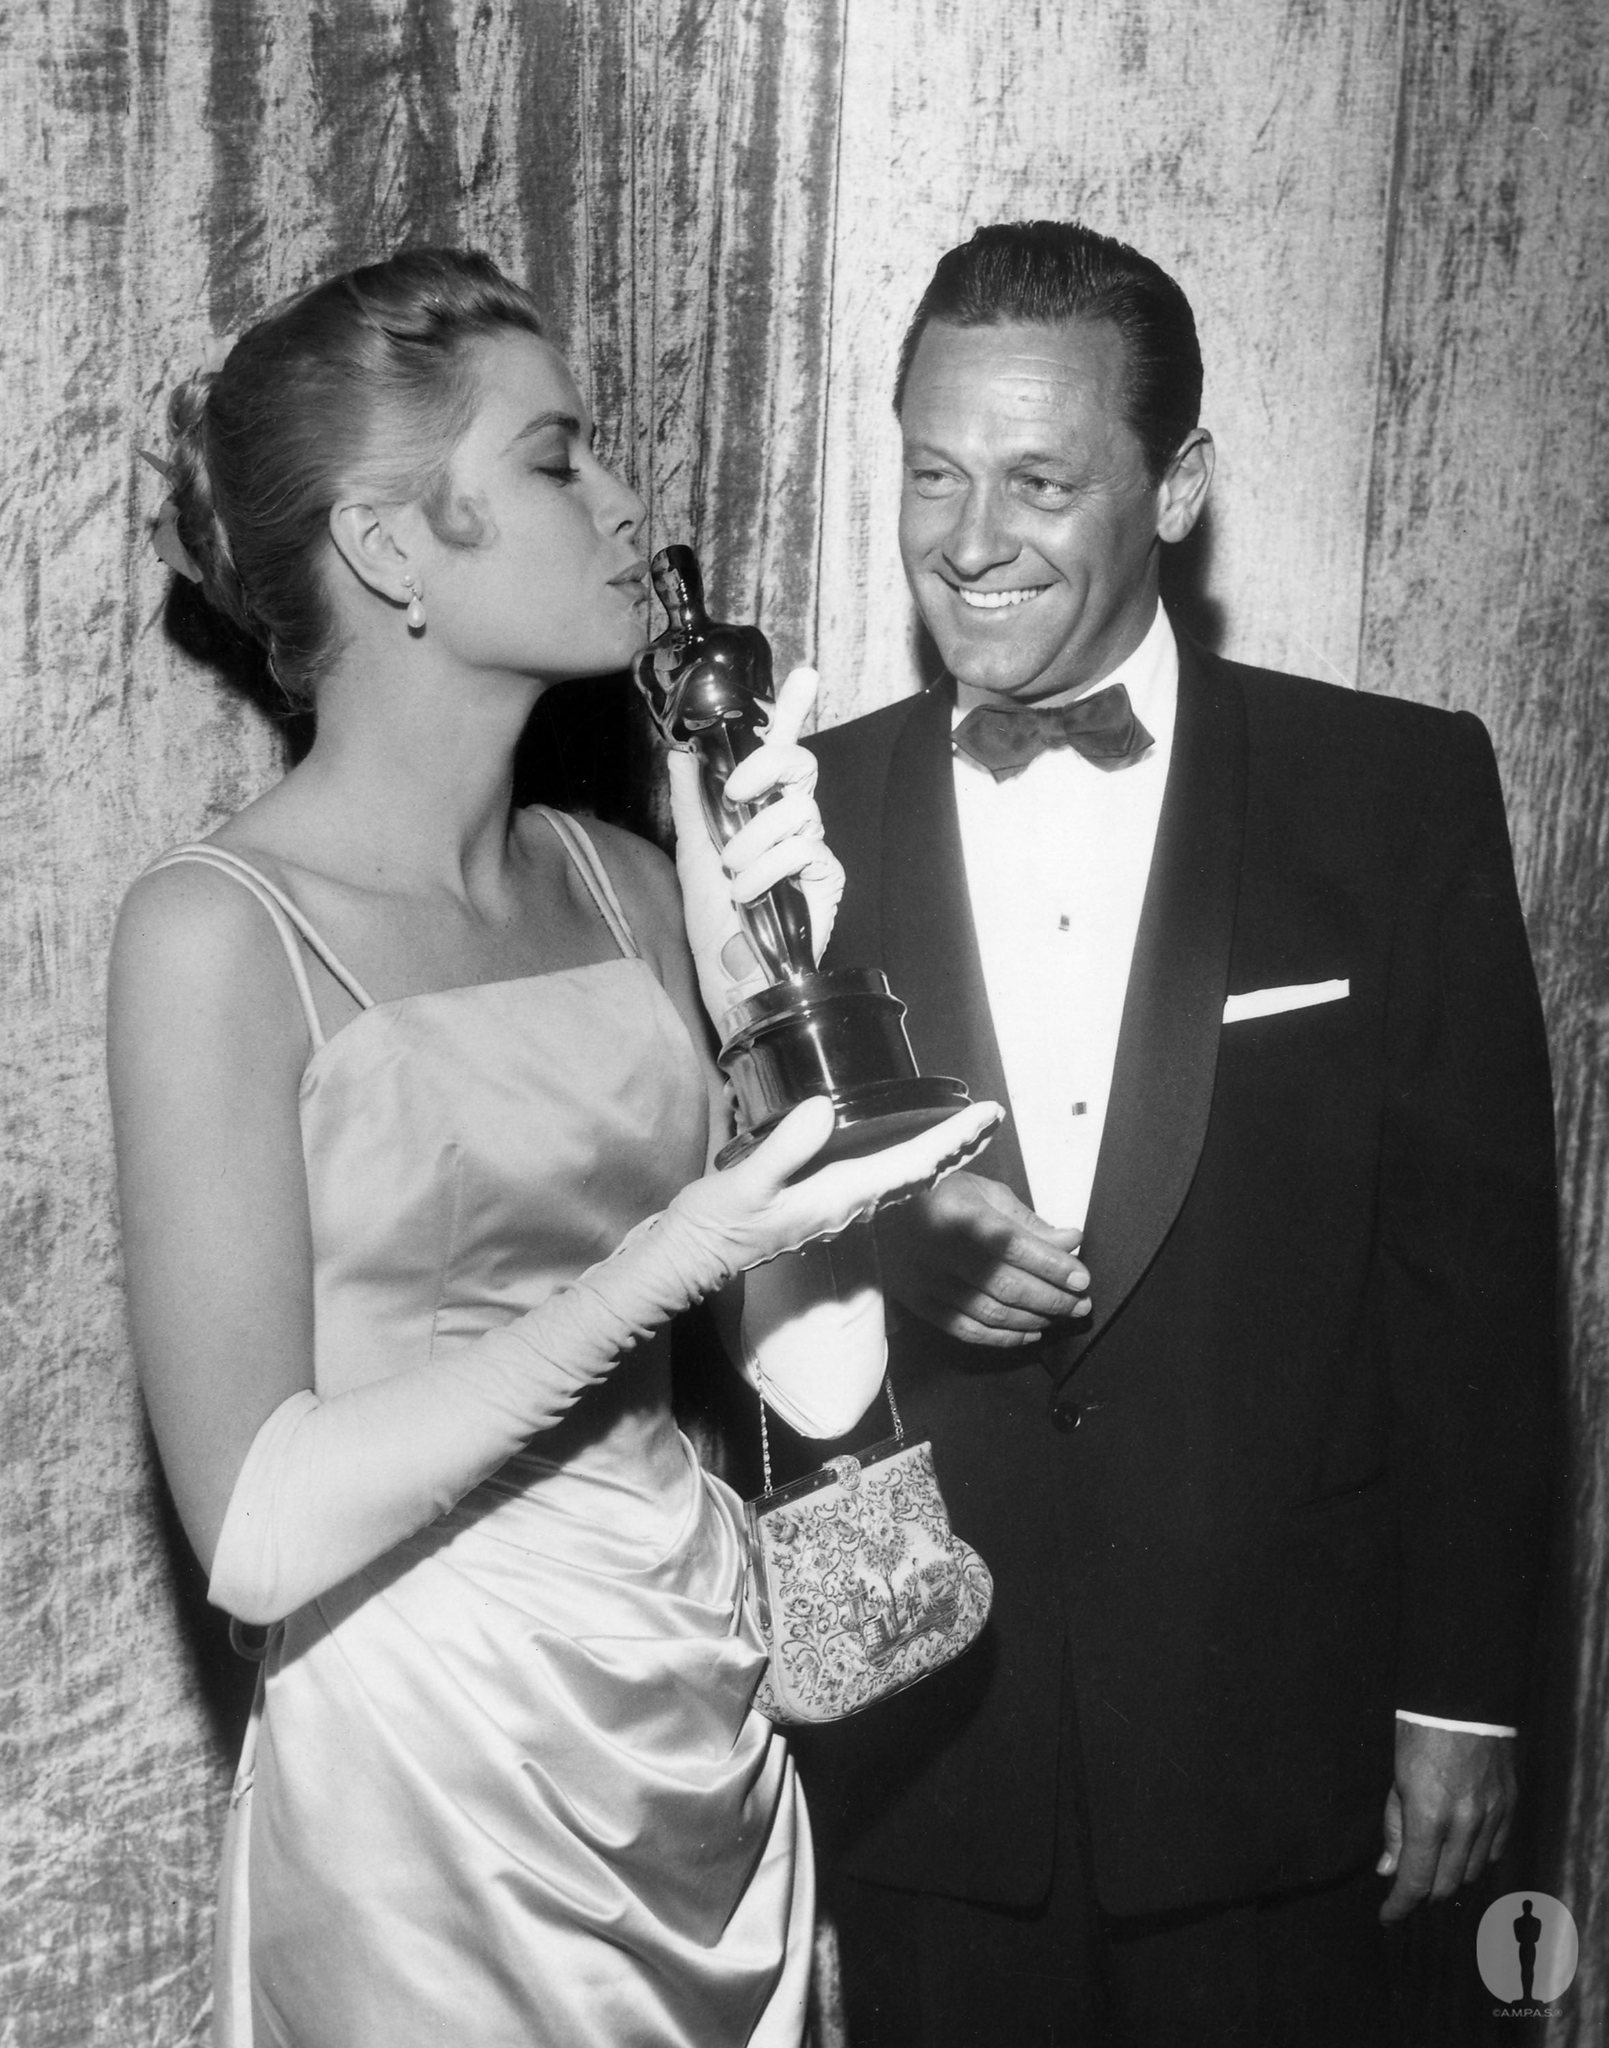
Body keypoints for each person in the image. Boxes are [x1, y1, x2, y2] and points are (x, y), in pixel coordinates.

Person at [107, 246, 998, 2048]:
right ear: (386, 546)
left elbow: (816, 1393)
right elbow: (258, 1531)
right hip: (426, 1786)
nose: (620, 503)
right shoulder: (215, 932)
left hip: (691, 1724)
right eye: (554, 459)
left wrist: (773, 1022)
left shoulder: (624, 880)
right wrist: (665, 1260)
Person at [785, 221, 1558, 2046]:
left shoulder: (1393, 791)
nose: (968, 542)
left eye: (1040, 481)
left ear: (1178, 487)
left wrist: (1466, 1695)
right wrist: (884, 1255)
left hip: (1288, 1773)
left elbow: (1477, 1288)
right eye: (932, 473)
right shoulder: (788, 825)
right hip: (922, 1772)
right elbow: (709, 1261)